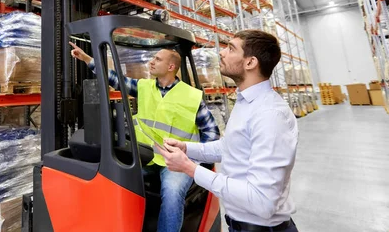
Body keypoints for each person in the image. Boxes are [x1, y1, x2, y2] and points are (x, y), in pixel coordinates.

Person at [69, 42, 220, 232]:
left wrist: (193, 161)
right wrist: (87, 59)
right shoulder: (144, 87)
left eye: (157, 59)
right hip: (147, 157)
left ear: (171, 67)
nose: (151, 62)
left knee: (172, 192)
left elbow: (212, 135)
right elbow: (116, 80)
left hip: (176, 162)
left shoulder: (191, 96)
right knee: (111, 177)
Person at [158, 30, 299, 232]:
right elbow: (230, 147)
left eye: (231, 48)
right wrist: (187, 148)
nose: (221, 53)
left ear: (250, 63)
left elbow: (262, 201)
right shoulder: (245, 102)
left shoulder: (269, 115)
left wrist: (190, 168)